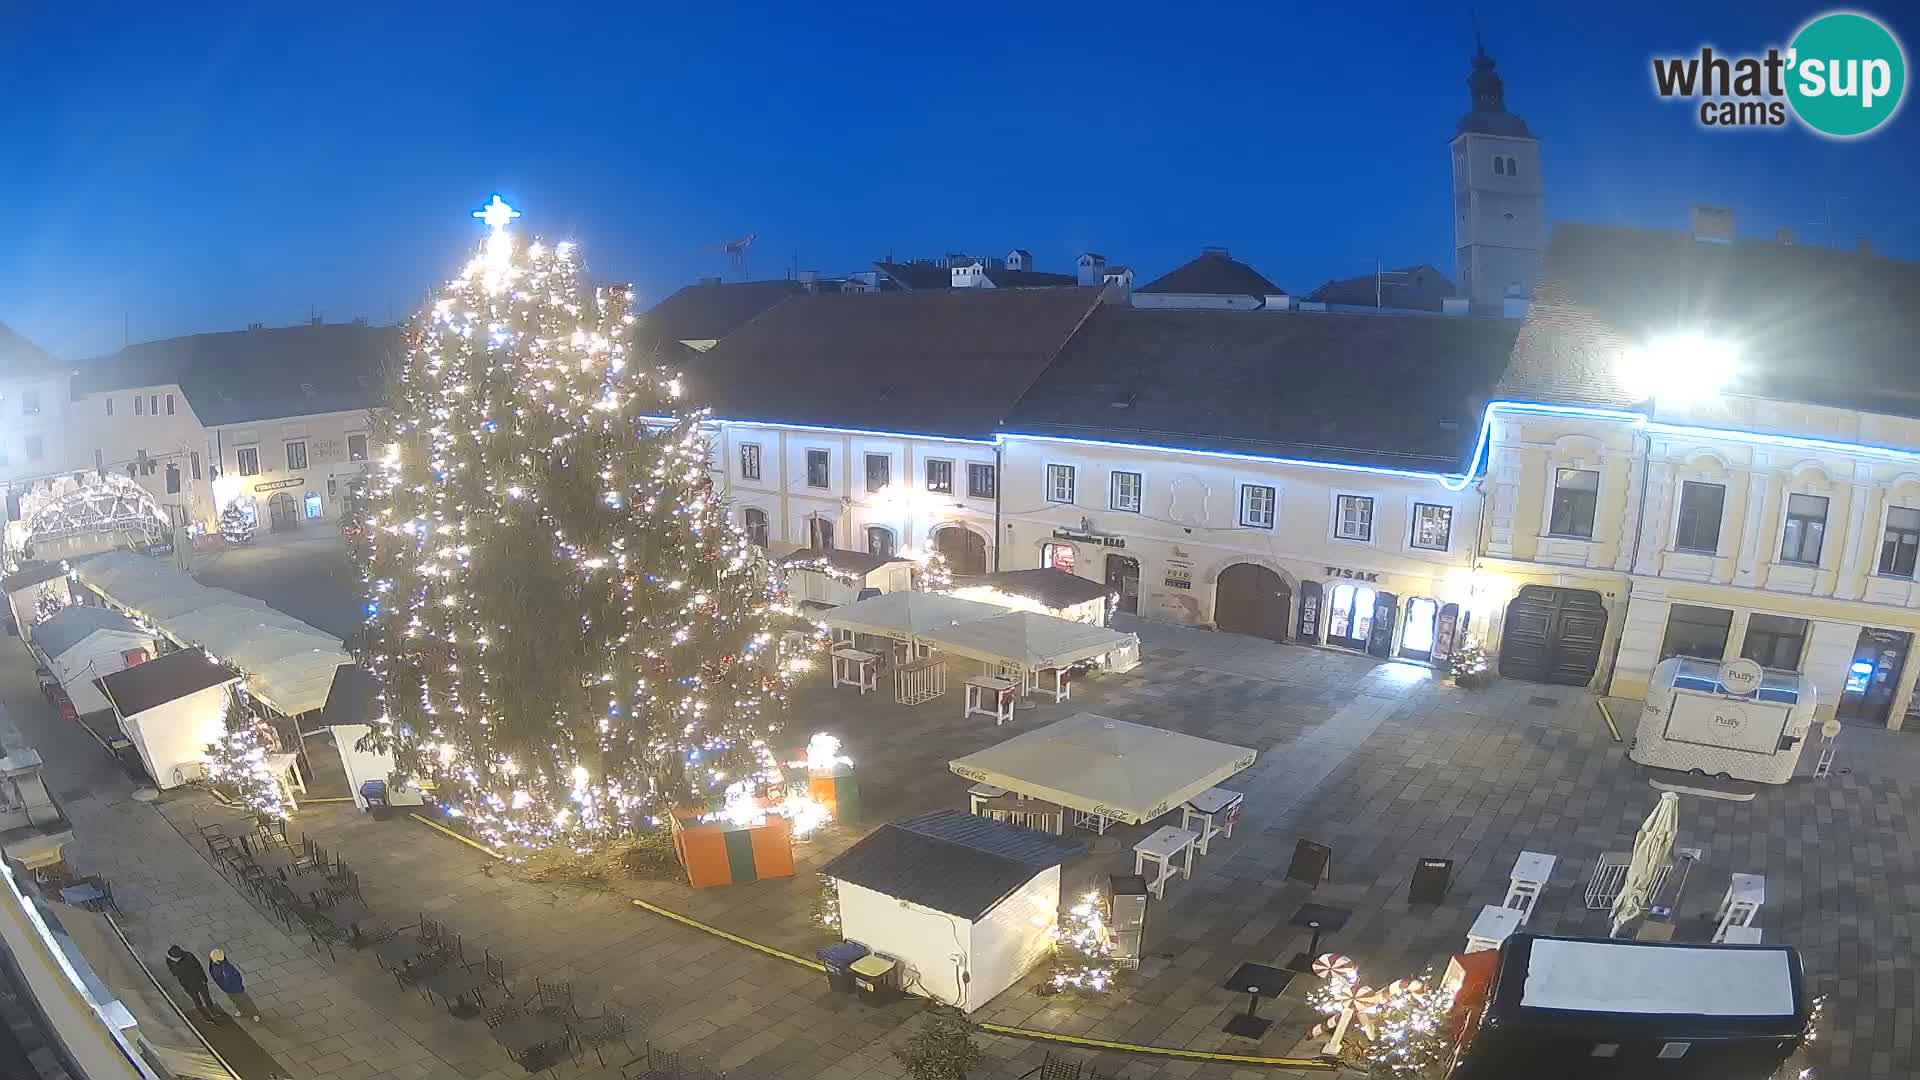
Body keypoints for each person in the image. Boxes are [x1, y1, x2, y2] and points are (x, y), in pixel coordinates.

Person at [164, 945, 219, 1020]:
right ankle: (206, 1015)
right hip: (189, 985)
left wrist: (204, 979)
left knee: (206, 998)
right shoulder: (171, 961)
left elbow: (198, 967)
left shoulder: (186, 957)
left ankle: (212, 1012)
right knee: (197, 1000)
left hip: (197, 982)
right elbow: (174, 973)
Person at [207, 949, 261, 1022]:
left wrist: (238, 989)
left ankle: (255, 1014)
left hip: (235, 989)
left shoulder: (227, 968)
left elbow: (237, 978)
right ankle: (241, 1010)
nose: (213, 961)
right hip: (226, 989)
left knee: (245, 1000)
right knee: (235, 1001)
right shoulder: (213, 964)